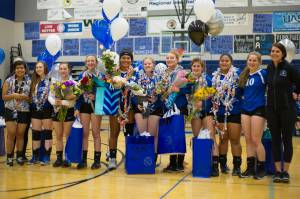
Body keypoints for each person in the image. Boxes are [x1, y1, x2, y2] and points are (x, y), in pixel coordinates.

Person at [266, 43, 300, 183]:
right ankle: (277, 171)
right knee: (275, 140)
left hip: (287, 110)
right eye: (272, 51)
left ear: (283, 53)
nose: (274, 53)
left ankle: (285, 171)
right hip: (272, 110)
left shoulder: (289, 68)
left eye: (277, 51)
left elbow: (299, 83)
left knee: (287, 140)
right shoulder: (269, 68)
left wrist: (296, 92)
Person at [211, 53, 242, 176]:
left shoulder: (238, 75)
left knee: (235, 139)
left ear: (231, 62)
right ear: (219, 62)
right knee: (223, 139)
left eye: (227, 61)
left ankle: (237, 166)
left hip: (234, 111)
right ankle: (222, 164)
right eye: (222, 61)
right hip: (219, 112)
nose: (224, 63)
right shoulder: (215, 77)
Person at [238, 52, 267, 179]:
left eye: (254, 60)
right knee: (248, 139)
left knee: (256, 139)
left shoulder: (263, 74)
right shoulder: (244, 75)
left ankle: (261, 168)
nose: (252, 62)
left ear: (259, 62)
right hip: (245, 109)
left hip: (258, 109)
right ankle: (250, 168)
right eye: (250, 60)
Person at [189, 58, 219, 176]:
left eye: (198, 66)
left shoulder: (208, 79)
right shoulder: (188, 79)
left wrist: (205, 98)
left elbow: (214, 92)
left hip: (207, 112)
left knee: (211, 137)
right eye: (194, 66)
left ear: (202, 68)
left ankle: (215, 166)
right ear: (191, 67)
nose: (196, 68)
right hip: (194, 112)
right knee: (197, 138)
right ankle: (200, 163)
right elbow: (184, 92)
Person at [161, 50, 189, 173]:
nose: (169, 60)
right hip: (168, 107)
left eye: (172, 58)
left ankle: (180, 163)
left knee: (179, 135)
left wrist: (178, 90)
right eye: (167, 58)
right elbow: (162, 89)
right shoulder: (164, 73)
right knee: (171, 135)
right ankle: (172, 163)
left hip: (179, 106)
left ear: (177, 60)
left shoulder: (182, 73)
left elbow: (188, 88)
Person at [108, 49, 136, 170]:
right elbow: (113, 87)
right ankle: (112, 159)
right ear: (119, 59)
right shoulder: (114, 72)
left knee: (128, 134)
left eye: (128, 58)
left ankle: (129, 158)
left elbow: (137, 87)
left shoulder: (137, 72)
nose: (126, 60)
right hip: (115, 106)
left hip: (130, 107)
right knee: (114, 133)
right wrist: (126, 79)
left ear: (131, 60)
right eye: (123, 58)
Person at [132, 57, 163, 162]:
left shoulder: (159, 77)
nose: (147, 65)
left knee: (153, 134)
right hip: (143, 106)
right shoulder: (137, 76)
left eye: (149, 64)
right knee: (144, 133)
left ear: (153, 65)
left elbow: (163, 94)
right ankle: (144, 156)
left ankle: (152, 157)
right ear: (143, 65)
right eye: (145, 64)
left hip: (155, 107)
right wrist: (139, 102)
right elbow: (132, 93)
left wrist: (157, 98)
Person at [75, 55, 103, 169]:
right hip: (84, 106)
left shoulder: (101, 76)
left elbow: (104, 91)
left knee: (96, 133)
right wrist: (77, 107)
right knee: (84, 134)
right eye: (88, 61)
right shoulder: (81, 76)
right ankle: (84, 159)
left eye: (92, 61)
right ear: (86, 63)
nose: (90, 62)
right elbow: (77, 94)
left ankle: (97, 161)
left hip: (96, 106)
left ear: (96, 63)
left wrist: (95, 95)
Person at [2, 60, 31, 166]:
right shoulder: (8, 81)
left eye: (22, 68)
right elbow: (4, 97)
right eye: (18, 68)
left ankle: (19, 156)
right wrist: (14, 95)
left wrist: (25, 97)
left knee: (20, 134)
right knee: (11, 133)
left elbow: (32, 98)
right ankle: (9, 157)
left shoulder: (29, 81)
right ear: (15, 69)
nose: (20, 70)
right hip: (10, 110)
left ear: (25, 69)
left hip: (24, 110)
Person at [49, 62, 77, 167]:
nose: (63, 71)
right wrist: (54, 102)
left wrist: (63, 102)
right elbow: (50, 96)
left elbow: (74, 100)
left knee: (68, 136)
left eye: (65, 68)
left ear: (69, 70)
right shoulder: (55, 83)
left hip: (68, 111)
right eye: (61, 69)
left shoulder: (73, 83)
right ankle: (59, 158)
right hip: (57, 111)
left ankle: (68, 158)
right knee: (58, 136)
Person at [29, 61, 53, 165]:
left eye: (40, 67)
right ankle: (35, 156)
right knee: (36, 133)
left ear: (45, 68)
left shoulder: (51, 80)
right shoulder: (33, 81)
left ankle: (47, 156)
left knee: (47, 133)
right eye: (37, 67)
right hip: (35, 109)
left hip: (47, 109)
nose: (38, 69)